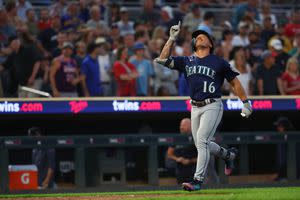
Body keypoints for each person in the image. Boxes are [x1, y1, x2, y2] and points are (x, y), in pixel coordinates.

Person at [154, 22, 252, 191]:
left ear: (210, 44)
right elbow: (162, 60)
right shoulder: (187, 60)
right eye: (196, 36)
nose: (198, 36)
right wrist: (171, 38)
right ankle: (229, 155)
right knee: (202, 143)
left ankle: (197, 180)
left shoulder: (218, 62)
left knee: (201, 141)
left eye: (203, 35)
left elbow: (234, 83)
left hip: (212, 104)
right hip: (195, 107)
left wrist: (245, 102)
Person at [273, 117, 294, 181]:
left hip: (290, 175)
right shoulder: (281, 138)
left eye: (280, 126)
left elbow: (284, 160)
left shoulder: (291, 138)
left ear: (285, 127)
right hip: (283, 175)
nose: (278, 128)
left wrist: (280, 174)